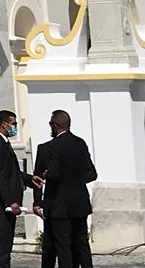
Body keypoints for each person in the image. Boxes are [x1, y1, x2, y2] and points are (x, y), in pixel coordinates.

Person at [29, 110, 96, 268]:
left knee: (62, 246)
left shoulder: (48, 148)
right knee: (82, 244)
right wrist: (76, 180)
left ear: (55, 125)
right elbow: (92, 174)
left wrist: (38, 202)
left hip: (58, 205)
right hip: (79, 203)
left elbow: (47, 176)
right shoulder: (80, 143)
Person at [0, 110, 26, 268]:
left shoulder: (4, 143)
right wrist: (10, 202)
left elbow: (13, 172)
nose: (15, 128)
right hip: (1, 203)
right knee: (2, 244)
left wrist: (30, 179)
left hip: (7, 203)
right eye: (14, 124)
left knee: (7, 243)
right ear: (4, 124)